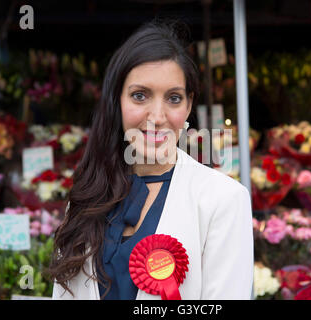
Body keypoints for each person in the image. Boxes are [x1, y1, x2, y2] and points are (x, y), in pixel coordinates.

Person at [47, 19, 253, 300]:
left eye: (174, 98)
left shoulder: (223, 200)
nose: (157, 117)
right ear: (116, 100)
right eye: (140, 96)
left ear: (189, 105)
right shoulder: (87, 192)